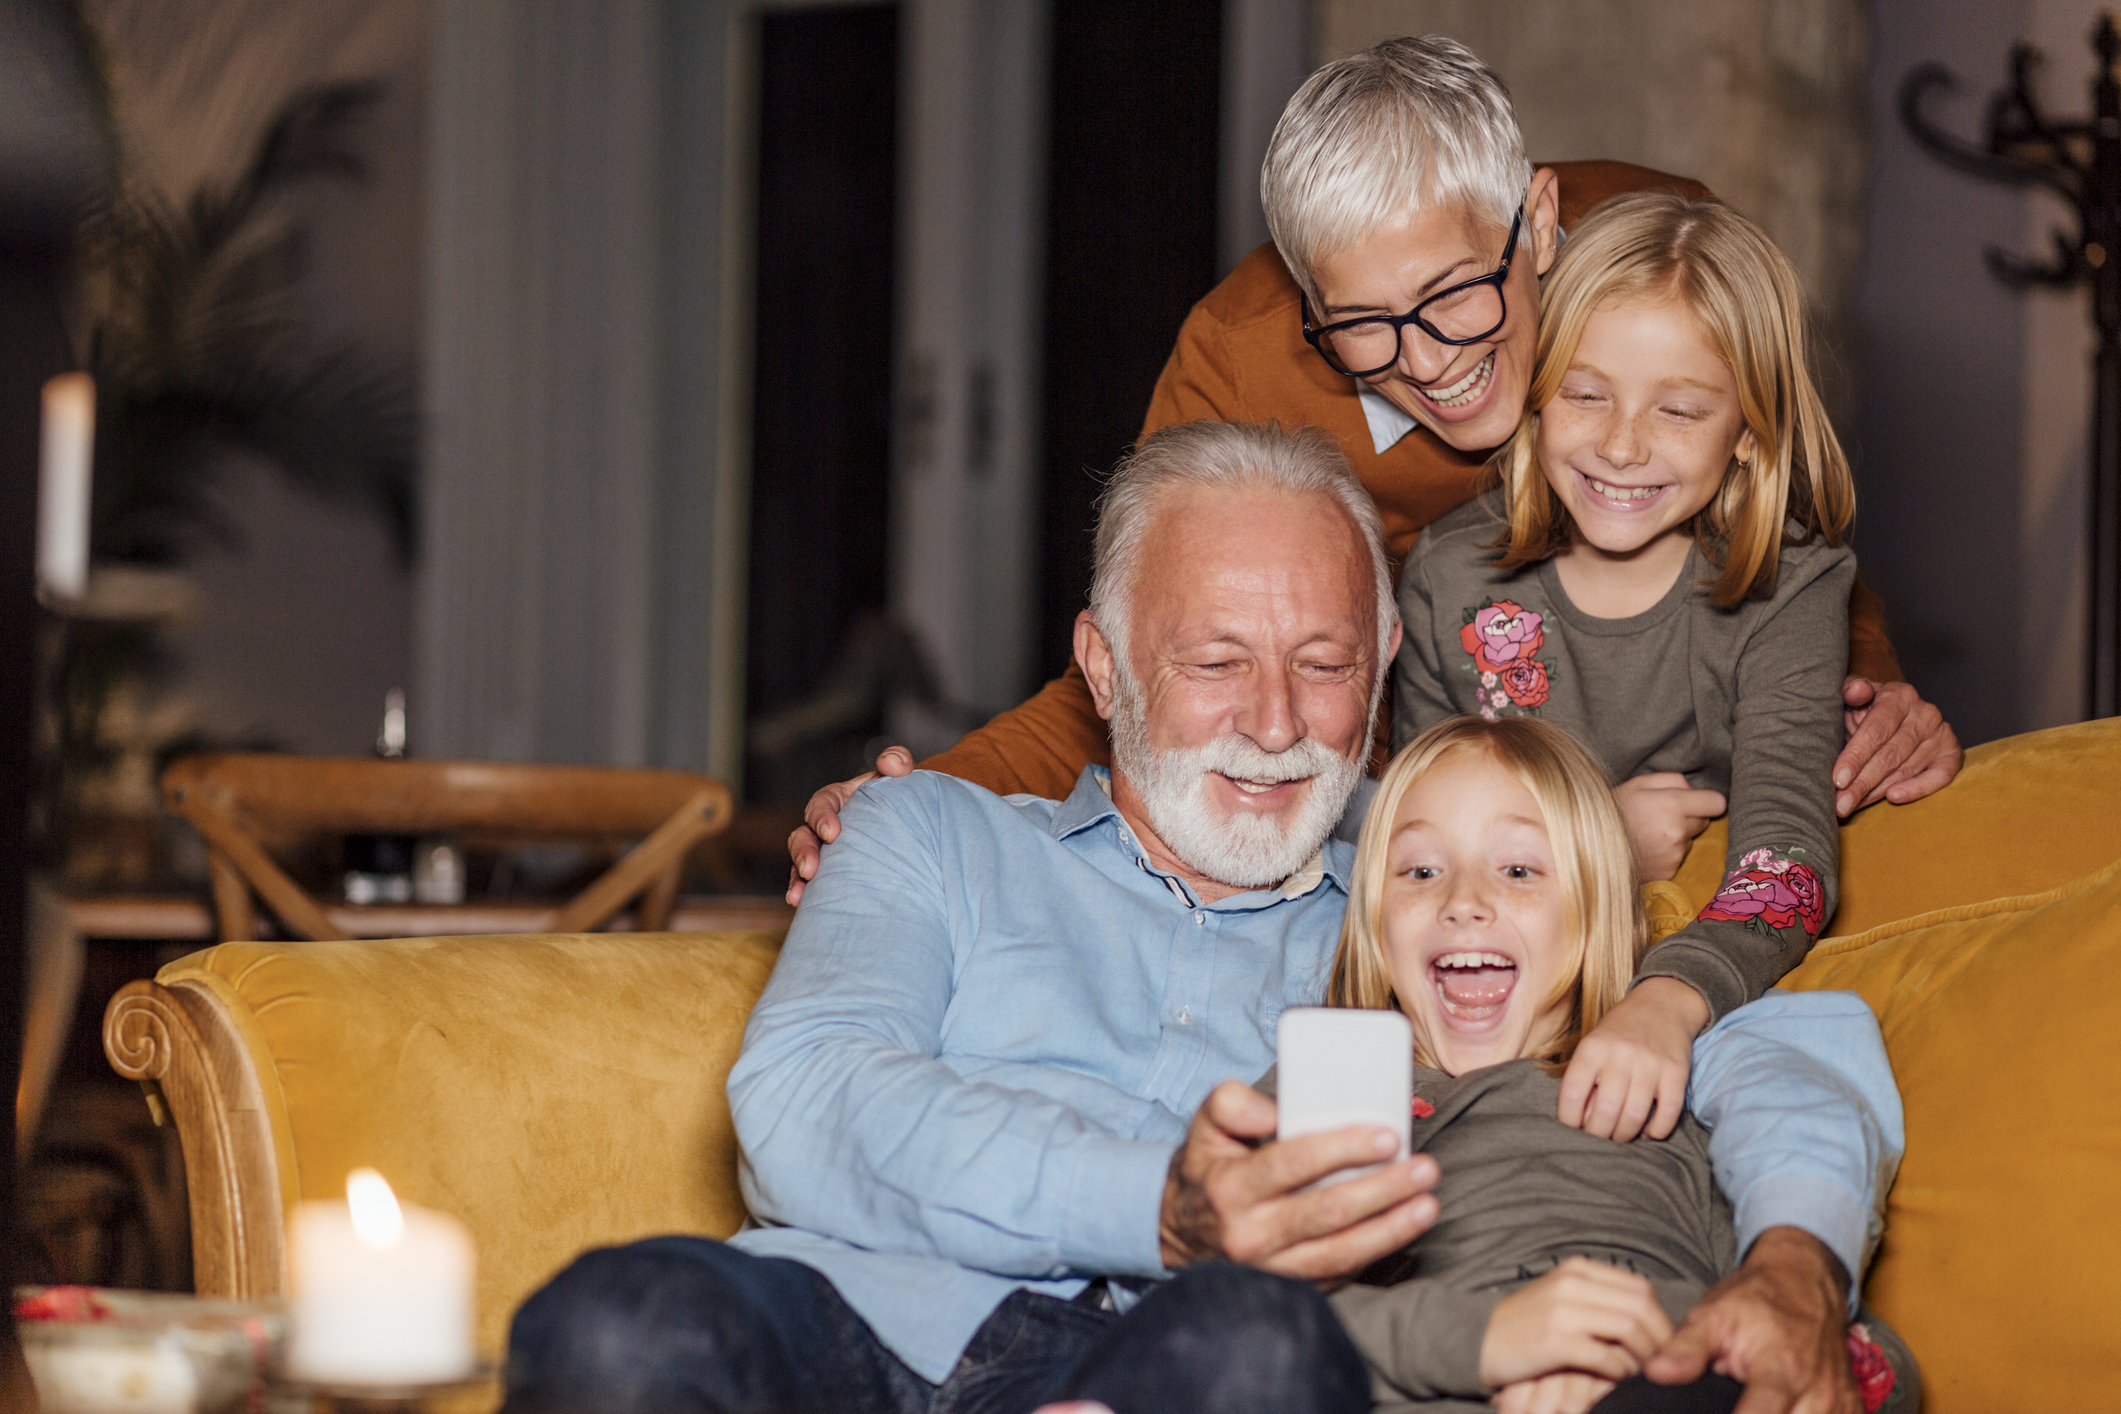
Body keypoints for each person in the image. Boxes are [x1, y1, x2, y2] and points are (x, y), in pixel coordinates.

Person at [504, 423, 1894, 1414]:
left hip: (1183, 1371)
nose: (1278, 722)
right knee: (619, 1319)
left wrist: (1792, 1258)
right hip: (850, 1320)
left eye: (1325, 662)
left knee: (1265, 1354)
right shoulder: (930, 832)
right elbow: (805, 1098)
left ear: (1393, 664)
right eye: (1217, 661)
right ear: (1102, 666)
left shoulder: (1429, 891)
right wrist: (1157, 1205)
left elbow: (1766, 1047)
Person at [789, 35, 1961, 906]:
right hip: (1421, 818)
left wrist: (1869, 693)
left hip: (1668, 757)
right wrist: (925, 800)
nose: (1432, 363)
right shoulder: (1235, 366)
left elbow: (1780, 541)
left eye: (1457, 296)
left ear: (1539, 225)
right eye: (1364, 325)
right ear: (1309, 304)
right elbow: (1146, 683)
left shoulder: (1658, 263)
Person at [1394, 191, 1862, 1150]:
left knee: (1811, 1087)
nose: (1618, 444)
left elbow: (1786, 855)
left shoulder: (1791, 592)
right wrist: (1598, 835)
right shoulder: (1449, 581)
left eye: (1678, 410)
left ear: (1746, 430)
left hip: (1701, 992)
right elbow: (1402, 847)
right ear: (1535, 390)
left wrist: (1666, 1003)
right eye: (1585, 391)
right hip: (1480, 998)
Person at [1309, 714, 1912, 1414]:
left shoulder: (1672, 1074)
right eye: (1419, 871)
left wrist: (1645, 1351)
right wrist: (1486, 1343)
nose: (1462, 902)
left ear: (1594, 912)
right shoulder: (1334, 1083)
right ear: (1372, 921)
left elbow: (1854, 1358)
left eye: (1516, 869)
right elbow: (1248, 1328)